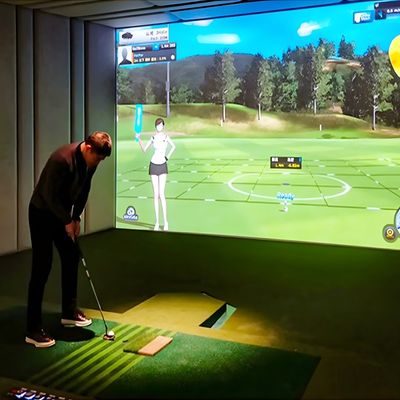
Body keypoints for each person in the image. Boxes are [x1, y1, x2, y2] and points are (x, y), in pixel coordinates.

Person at [26, 131, 112, 348]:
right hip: (41, 213)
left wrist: (76, 218)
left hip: (62, 214)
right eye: (98, 158)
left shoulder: (91, 161)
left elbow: (84, 189)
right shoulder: (62, 159)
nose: (98, 163)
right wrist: (66, 221)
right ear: (88, 148)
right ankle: (33, 329)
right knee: (42, 267)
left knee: (71, 255)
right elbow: (48, 195)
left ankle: (69, 312)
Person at [137, 118, 175, 231]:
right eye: (158, 125)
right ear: (155, 126)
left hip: (162, 165)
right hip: (153, 165)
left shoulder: (166, 137)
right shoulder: (153, 138)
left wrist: (167, 157)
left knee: (162, 194)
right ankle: (157, 222)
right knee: (155, 195)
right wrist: (139, 139)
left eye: (161, 125)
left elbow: (174, 147)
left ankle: (165, 222)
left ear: (163, 126)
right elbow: (144, 149)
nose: (159, 127)